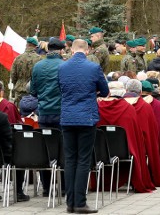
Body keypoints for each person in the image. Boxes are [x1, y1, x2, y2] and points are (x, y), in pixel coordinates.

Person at [58, 38, 109, 214]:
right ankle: (80, 202)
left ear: (72, 50)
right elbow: (105, 91)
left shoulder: (62, 67)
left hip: (67, 117)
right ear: (87, 51)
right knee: (83, 160)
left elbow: (60, 88)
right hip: (87, 117)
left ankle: (70, 203)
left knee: (70, 159)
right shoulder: (94, 68)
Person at [31, 36, 66, 196]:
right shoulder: (64, 66)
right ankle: (64, 186)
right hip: (61, 113)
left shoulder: (38, 66)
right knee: (63, 150)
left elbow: (33, 91)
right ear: (61, 50)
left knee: (45, 150)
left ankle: (46, 187)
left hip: (44, 113)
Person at [10, 36, 43, 107]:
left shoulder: (18, 58)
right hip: (33, 91)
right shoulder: (39, 59)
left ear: (26, 45)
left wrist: (18, 83)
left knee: (18, 113)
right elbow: (41, 76)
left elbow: (13, 75)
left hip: (19, 90)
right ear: (35, 46)